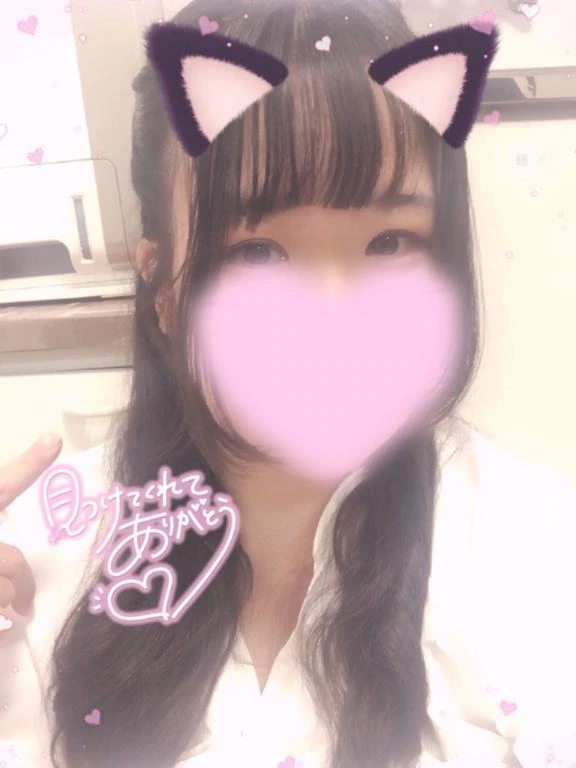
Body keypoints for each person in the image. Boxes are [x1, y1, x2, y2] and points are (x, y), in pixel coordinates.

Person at [1, 1, 575, 767]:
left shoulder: (531, 551)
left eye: (390, 242)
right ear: (162, 287)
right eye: (260, 252)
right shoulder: (42, 554)